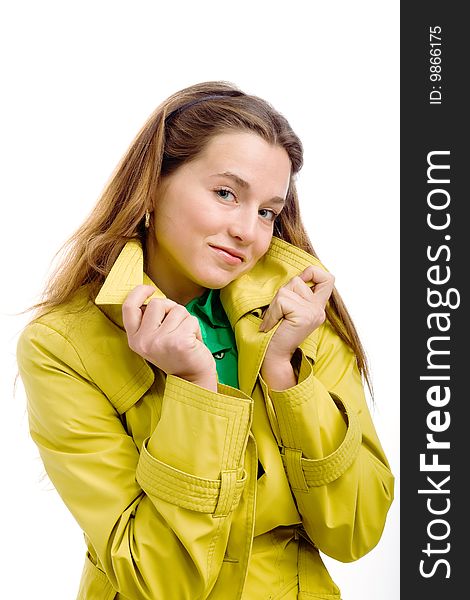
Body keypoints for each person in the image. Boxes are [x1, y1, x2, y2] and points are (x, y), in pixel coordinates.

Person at [16, 80, 394, 600]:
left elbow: (355, 531)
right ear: (152, 184)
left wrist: (284, 373)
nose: (248, 230)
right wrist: (196, 388)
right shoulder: (61, 347)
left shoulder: (299, 317)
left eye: (267, 211)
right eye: (225, 194)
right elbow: (160, 581)